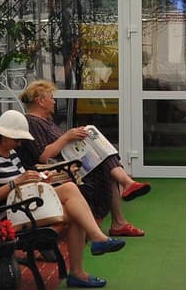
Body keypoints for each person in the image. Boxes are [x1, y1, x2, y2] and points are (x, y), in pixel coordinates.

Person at [0, 109, 125, 289]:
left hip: (25, 205)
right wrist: (16, 182)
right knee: (73, 200)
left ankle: (86, 258)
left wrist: (44, 177)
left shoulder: (9, 152)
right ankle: (88, 254)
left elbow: (22, 180)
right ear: (4, 137)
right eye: (17, 140)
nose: (19, 144)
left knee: (72, 197)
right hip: (12, 214)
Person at [15, 79, 150, 238]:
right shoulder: (32, 122)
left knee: (100, 151)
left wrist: (77, 136)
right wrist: (67, 137)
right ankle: (123, 200)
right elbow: (43, 156)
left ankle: (121, 209)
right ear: (41, 101)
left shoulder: (47, 121)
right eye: (51, 97)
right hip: (55, 170)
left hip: (68, 164)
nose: (54, 101)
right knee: (105, 164)